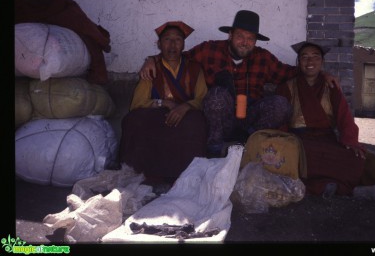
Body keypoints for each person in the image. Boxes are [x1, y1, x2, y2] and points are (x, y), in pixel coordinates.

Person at [139, 10, 339, 158]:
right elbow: (176, 56)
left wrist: (321, 72)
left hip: (251, 120)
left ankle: (248, 146)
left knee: (280, 104)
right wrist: (152, 59)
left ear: (255, 41)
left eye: (250, 38)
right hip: (221, 119)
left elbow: (290, 72)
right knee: (217, 94)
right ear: (230, 35)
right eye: (241, 36)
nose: (245, 42)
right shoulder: (209, 50)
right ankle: (215, 150)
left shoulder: (264, 58)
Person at [276, 41, 375, 197]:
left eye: (315, 57)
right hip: (299, 143)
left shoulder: (331, 87)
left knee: (373, 166)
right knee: (290, 157)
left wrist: (351, 142)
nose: (310, 62)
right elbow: (281, 122)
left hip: (327, 141)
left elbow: (344, 117)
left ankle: (315, 184)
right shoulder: (286, 87)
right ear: (298, 62)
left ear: (322, 62)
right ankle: (329, 185)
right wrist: (285, 144)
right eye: (304, 57)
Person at [119, 21, 208, 184]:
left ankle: (186, 177)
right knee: (133, 120)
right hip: (158, 115)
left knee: (197, 122)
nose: (172, 45)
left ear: (183, 44)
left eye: (178, 40)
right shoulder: (151, 68)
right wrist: (164, 103)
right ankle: (143, 173)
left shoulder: (195, 68)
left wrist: (185, 107)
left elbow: (202, 98)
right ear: (159, 44)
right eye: (167, 39)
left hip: (186, 116)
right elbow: (137, 103)